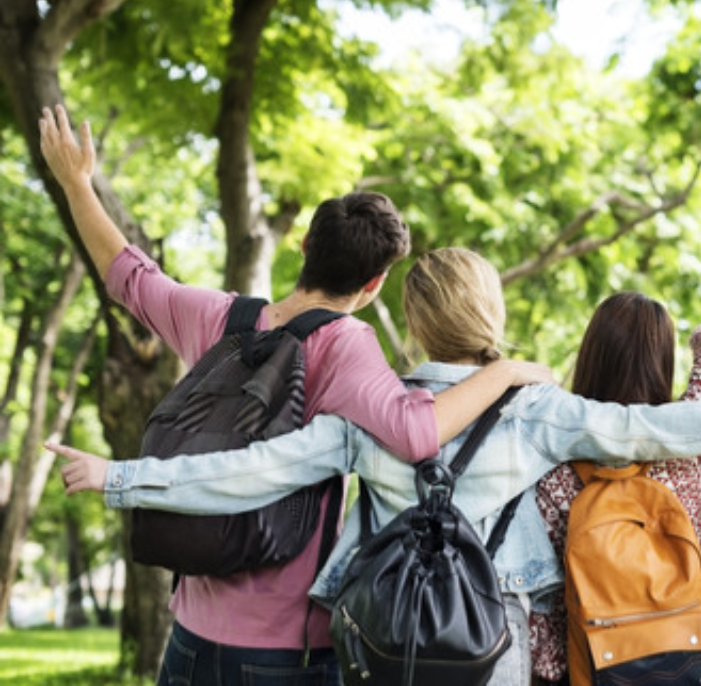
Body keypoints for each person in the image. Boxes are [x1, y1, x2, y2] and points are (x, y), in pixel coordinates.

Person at [49, 241, 701, 684]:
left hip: (378, 645)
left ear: (412, 321)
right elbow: (656, 431)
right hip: (489, 649)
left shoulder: (369, 413)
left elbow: (249, 471)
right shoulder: (535, 408)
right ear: (492, 314)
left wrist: (121, 476)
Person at [38, 105, 547, 685]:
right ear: (375, 282)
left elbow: (130, 277)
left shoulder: (220, 318)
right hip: (282, 650)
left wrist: (77, 183)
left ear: (304, 245)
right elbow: (417, 432)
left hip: (189, 636)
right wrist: (505, 372)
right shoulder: (348, 345)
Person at [529, 167, 701, 684]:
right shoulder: (694, 444)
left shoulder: (550, 462)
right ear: (662, 362)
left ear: (590, 355)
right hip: (681, 665)